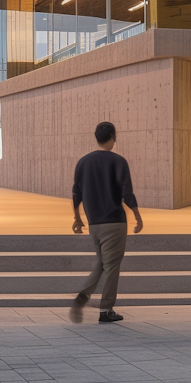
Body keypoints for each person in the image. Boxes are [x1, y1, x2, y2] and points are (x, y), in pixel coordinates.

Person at [71, 121, 143, 323]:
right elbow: (127, 193)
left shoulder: (83, 162)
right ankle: (106, 309)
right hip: (114, 222)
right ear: (113, 137)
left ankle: (83, 297)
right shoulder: (118, 161)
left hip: (94, 224)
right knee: (112, 266)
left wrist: (77, 218)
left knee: (104, 263)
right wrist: (137, 216)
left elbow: (76, 193)